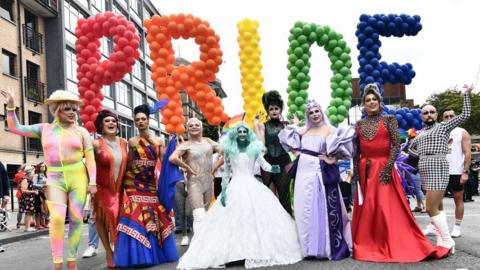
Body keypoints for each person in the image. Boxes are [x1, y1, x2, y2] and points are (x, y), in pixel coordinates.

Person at [177, 124, 302, 269]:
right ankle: (234, 252)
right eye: (239, 131)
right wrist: (223, 191)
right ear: (235, 135)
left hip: (252, 186)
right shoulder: (230, 151)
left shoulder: (254, 150)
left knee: (252, 217)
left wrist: (272, 168)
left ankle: (253, 249)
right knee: (234, 218)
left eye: (245, 131)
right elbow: (226, 173)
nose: (242, 133)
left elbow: (264, 164)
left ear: (249, 134)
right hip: (234, 186)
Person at [351, 83, 449, 262]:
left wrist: (388, 167)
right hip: (365, 169)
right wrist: (356, 171)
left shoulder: (389, 120)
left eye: (375, 99)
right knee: (369, 206)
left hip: (384, 168)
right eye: (368, 100)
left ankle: (391, 240)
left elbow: (396, 145)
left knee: (384, 206)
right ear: (363, 104)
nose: (371, 102)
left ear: (379, 101)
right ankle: (370, 241)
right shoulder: (359, 124)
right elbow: (356, 149)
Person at [2, 88, 97, 270]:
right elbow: (15, 127)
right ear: (58, 110)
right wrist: (11, 106)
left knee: (77, 218)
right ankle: (57, 263)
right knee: (58, 219)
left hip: (77, 175)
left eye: (74, 109)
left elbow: (90, 159)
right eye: (68, 109)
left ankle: (71, 261)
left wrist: (92, 182)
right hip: (54, 176)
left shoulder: (82, 132)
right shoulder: (44, 129)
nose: (72, 113)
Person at [279, 99, 353, 260]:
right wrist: (295, 126)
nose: (314, 115)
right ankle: (307, 248)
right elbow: (289, 142)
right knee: (304, 206)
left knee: (322, 206)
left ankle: (323, 247)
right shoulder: (303, 130)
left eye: (316, 111)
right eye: (311, 112)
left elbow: (344, 148)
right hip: (303, 171)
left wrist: (332, 159)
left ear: (321, 112)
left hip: (320, 170)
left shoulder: (330, 129)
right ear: (308, 115)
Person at [410, 84, 472, 253]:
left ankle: (447, 240)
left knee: (430, 207)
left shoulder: (443, 127)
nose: (429, 114)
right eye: (425, 112)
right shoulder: (419, 134)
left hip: (438, 167)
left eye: (432, 112)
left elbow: (465, 114)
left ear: (437, 115)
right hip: (425, 170)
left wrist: (466, 94)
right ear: (421, 116)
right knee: (439, 207)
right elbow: (411, 152)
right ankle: (441, 239)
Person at [114, 104, 178, 267]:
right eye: (137, 120)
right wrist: (120, 182)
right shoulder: (132, 141)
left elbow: (164, 163)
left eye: (143, 119)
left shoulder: (158, 141)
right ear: (135, 123)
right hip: (133, 181)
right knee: (135, 211)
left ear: (148, 120)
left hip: (149, 183)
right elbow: (128, 163)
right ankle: (138, 255)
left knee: (153, 212)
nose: (141, 122)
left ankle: (151, 252)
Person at [423, 108, 471, 239]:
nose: (449, 118)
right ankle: (436, 225)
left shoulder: (462, 132)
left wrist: (465, 171)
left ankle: (457, 227)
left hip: (456, 171)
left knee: (458, 198)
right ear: (442, 118)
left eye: (451, 116)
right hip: (439, 170)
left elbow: (467, 152)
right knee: (436, 200)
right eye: (446, 117)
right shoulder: (438, 131)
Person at [89, 110, 128, 267]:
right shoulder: (95, 143)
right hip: (102, 188)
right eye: (107, 121)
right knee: (102, 219)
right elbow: (87, 163)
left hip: (120, 188)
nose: (111, 123)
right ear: (101, 126)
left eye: (113, 121)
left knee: (120, 219)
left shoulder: (124, 142)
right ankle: (109, 252)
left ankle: (119, 250)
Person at [169, 118, 221, 234]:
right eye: (191, 125)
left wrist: (214, 167)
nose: (194, 127)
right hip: (194, 182)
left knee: (206, 214)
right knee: (198, 215)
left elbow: (225, 151)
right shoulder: (186, 145)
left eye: (197, 125)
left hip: (208, 181)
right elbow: (172, 158)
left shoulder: (208, 141)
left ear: (201, 128)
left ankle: (206, 243)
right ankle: (198, 245)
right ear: (187, 129)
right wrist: (186, 167)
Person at [254, 90, 292, 214]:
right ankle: (272, 225)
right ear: (267, 111)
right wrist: (256, 125)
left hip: (284, 161)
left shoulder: (286, 126)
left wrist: (294, 126)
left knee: (284, 192)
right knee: (270, 195)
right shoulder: (263, 126)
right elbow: (261, 144)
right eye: (271, 109)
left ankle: (288, 223)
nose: (274, 111)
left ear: (280, 110)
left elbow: (292, 144)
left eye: (276, 108)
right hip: (268, 161)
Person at [82, 194, 99, 259]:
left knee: (112, 216)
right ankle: (92, 246)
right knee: (93, 217)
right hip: (95, 189)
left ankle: (113, 244)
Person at [32, 162, 48, 229]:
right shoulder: (36, 175)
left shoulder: (45, 175)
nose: (43, 168)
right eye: (41, 166)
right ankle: (38, 224)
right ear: (39, 167)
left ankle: (43, 223)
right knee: (39, 209)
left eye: (44, 166)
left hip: (46, 193)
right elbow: (34, 184)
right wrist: (42, 185)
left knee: (45, 209)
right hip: (39, 193)